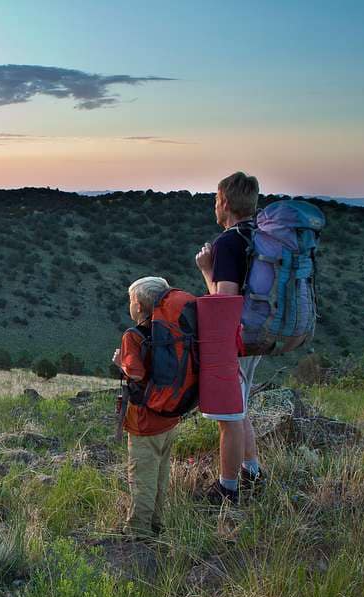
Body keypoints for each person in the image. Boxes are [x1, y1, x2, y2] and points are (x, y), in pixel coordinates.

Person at [194, 171, 266, 504]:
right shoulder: (261, 237)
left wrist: (208, 270)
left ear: (224, 202)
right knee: (241, 407)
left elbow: (224, 304)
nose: (214, 205)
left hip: (235, 339)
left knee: (228, 416)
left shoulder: (228, 242)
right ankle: (252, 472)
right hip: (259, 333)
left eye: (214, 199)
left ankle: (228, 489)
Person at [112, 276, 180, 541]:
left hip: (144, 421)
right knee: (161, 474)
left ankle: (138, 531)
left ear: (138, 305)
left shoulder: (133, 336)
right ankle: (157, 523)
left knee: (142, 476)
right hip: (170, 416)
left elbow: (137, 375)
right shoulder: (172, 331)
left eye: (131, 300)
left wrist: (121, 365)